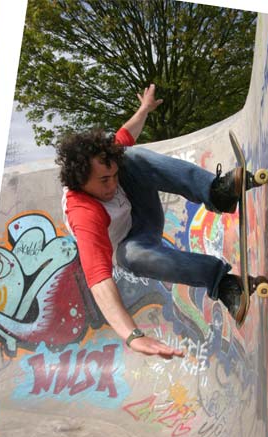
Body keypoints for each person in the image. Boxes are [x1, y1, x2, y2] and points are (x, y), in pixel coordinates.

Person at [58, 84, 256, 357]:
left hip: (143, 207)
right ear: (80, 182)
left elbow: (126, 134)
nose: (112, 185)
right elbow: (97, 277)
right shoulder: (83, 212)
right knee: (131, 256)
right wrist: (132, 335)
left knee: (131, 157)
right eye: (104, 181)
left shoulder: (108, 165)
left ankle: (216, 193)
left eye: (113, 176)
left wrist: (144, 109)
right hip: (134, 238)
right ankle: (222, 283)